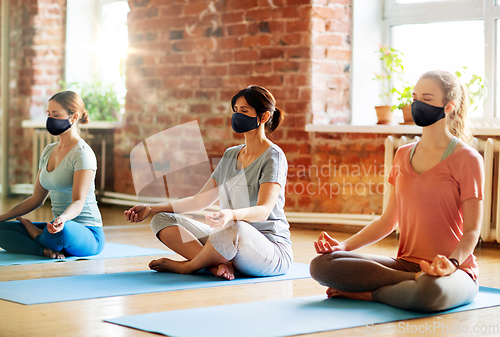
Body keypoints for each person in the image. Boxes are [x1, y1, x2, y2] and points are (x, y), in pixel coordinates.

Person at [310, 70, 484, 312]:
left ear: (448, 107)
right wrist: (344, 247)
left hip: (454, 272)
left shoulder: (468, 159)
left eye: (426, 98)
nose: (417, 104)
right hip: (405, 265)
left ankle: (371, 295)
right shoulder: (402, 154)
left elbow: (472, 231)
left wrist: (452, 264)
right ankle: (410, 284)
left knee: (432, 291)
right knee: (322, 265)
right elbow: (388, 221)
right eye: (414, 97)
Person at [124, 85, 291, 280]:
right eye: (235, 111)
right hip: (228, 240)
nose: (237, 116)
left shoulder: (274, 157)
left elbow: (263, 211)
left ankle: (188, 267)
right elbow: (199, 201)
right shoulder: (231, 155)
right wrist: (151, 208)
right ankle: (217, 266)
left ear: (263, 117)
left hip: (269, 251)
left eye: (244, 111)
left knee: (233, 228)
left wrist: (230, 214)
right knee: (162, 219)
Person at [0, 91, 104, 259]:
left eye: (56, 115)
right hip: (55, 228)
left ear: (74, 117)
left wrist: (62, 219)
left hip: (86, 231)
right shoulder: (48, 151)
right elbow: (36, 199)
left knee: (63, 233)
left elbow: (79, 201)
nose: (50, 119)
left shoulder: (82, 153)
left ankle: (35, 234)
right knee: (2, 230)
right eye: (49, 114)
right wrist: (2, 217)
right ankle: (44, 250)